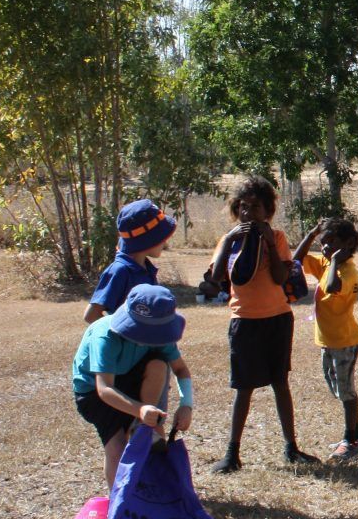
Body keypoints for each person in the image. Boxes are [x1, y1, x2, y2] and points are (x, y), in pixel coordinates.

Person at [206, 175, 313, 472]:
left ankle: (291, 447)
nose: (247, 213)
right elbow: (215, 278)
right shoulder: (230, 240)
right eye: (242, 207)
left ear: (267, 211)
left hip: (277, 320)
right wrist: (229, 240)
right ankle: (232, 453)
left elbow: (280, 278)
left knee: (280, 382)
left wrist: (267, 242)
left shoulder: (276, 237)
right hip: (244, 321)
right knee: (244, 387)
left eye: (255, 207)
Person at [72, 284, 194, 487]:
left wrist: (186, 405)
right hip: (94, 391)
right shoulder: (106, 336)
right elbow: (104, 389)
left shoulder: (160, 334)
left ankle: (142, 429)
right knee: (119, 450)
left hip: (129, 378)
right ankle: (121, 507)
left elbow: (180, 370)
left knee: (158, 365)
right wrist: (141, 409)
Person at [294, 216, 358, 461]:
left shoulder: (347, 271)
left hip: (344, 340)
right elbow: (296, 261)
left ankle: (351, 439)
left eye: (331, 242)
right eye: (322, 242)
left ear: (346, 244)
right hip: (328, 340)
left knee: (346, 390)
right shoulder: (327, 263)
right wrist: (312, 234)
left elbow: (333, 287)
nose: (324, 247)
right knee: (336, 385)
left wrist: (335, 260)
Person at [84, 199, 177, 323]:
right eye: (161, 238)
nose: (165, 242)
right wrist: (123, 334)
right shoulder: (120, 271)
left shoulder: (145, 268)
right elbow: (91, 315)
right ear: (148, 240)